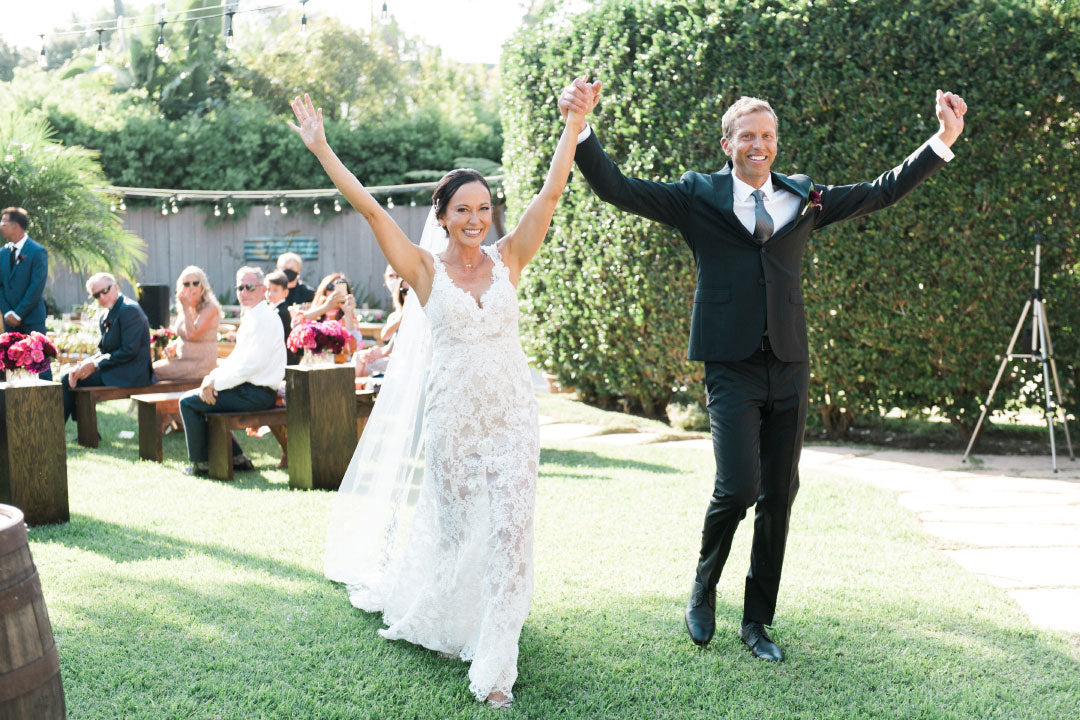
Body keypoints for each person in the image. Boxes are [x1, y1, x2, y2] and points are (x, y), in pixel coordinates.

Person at [559, 78, 968, 661]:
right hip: (731, 366)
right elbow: (617, 189)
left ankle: (757, 622)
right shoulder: (695, 196)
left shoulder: (806, 197)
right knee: (739, 486)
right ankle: (703, 591)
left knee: (779, 492)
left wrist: (942, 139)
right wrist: (582, 125)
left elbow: (882, 191)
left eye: (768, 135)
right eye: (748, 136)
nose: (760, 145)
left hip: (790, 364)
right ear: (727, 143)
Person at [292, 90, 583, 708]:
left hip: (510, 419)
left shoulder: (511, 258)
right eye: (463, 209)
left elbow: (552, 193)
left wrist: (574, 125)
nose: (476, 218)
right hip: (453, 421)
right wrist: (321, 147)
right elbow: (370, 211)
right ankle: (454, 615)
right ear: (443, 216)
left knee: (511, 533)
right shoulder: (425, 271)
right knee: (460, 537)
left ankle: (495, 668)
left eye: (484, 207)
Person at [178, 266, 286, 477]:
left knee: (188, 403)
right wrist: (212, 377)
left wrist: (214, 384)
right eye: (240, 287)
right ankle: (238, 459)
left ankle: (202, 465)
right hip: (248, 389)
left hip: (258, 394)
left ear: (263, 289)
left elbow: (249, 366)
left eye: (250, 287)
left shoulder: (266, 319)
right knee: (199, 400)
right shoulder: (252, 316)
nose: (244, 292)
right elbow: (237, 359)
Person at [61, 273, 154, 422]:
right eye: (96, 295)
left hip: (132, 373)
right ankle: (84, 432)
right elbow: (103, 351)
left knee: (67, 379)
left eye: (105, 291)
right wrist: (85, 364)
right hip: (115, 367)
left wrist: (95, 365)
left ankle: (58, 432)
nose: (102, 297)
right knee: (70, 372)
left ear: (115, 287)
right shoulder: (105, 314)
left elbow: (129, 351)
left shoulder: (130, 310)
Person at [0, 207, 51, 381]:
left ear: (16, 226)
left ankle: (48, 407)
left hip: (32, 319)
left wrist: (18, 313)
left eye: (4, 222)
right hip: (9, 321)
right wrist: (7, 312)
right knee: (11, 366)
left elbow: (36, 287)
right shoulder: (2, 253)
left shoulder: (37, 251)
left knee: (40, 365)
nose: (1, 226)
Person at [152, 266, 222, 381]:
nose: (191, 287)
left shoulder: (210, 308)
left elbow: (192, 335)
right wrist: (174, 346)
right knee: (148, 369)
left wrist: (185, 307)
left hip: (201, 364)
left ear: (202, 286)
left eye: (195, 283)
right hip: (183, 360)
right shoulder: (187, 306)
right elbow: (184, 336)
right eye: (186, 284)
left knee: (153, 371)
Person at [354, 265, 408, 377]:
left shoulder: (418, 316)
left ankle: (355, 390)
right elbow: (386, 337)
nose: (394, 280)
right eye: (404, 291)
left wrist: (381, 352)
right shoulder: (396, 314)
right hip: (392, 355)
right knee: (359, 357)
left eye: (398, 276)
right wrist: (376, 352)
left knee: (364, 365)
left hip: (403, 361)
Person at [265, 269, 300, 365]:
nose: (270, 293)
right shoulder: (272, 309)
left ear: (285, 293)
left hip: (283, 359)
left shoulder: (281, 312)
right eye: (268, 289)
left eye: (275, 290)